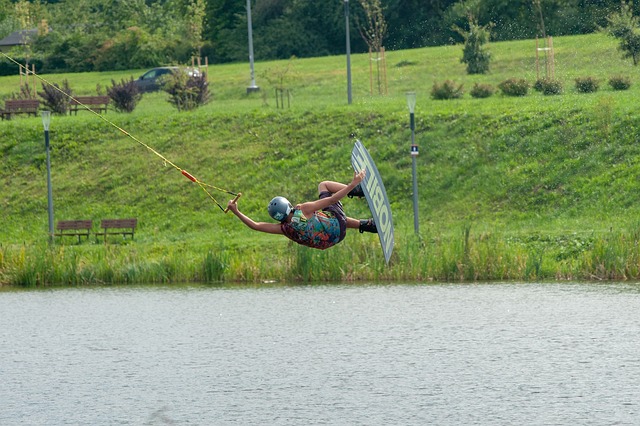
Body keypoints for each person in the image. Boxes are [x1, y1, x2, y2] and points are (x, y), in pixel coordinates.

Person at [226, 169, 377, 250]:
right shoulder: (304, 209)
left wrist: (236, 211)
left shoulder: (283, 228)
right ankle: (358, 191)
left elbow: (256, 226)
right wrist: (353, 183)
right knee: (323, 186)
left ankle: (367, 225)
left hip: (333, 240)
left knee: (326, 217)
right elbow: (332, 199)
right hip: (338, 224)